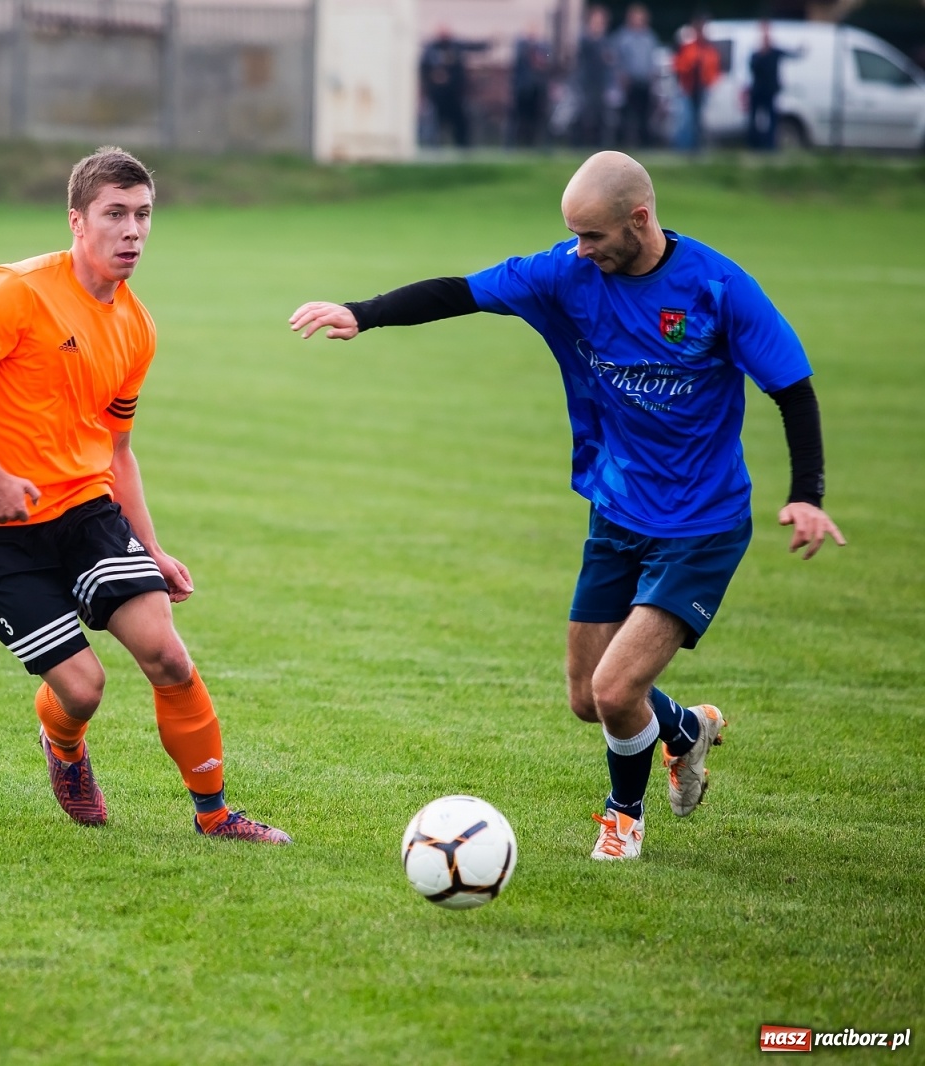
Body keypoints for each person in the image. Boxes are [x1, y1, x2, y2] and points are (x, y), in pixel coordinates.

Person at [288, 152, 843, 862]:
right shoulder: (568, 274)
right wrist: (362, 314)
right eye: (573, 236)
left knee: (616, 690)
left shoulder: (716, 287)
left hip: (701, 525)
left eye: (592, 236)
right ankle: (683, 730)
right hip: (616, 511)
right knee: (588, 697)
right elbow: (462, 290)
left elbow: (791, 386)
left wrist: (808, 494)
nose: (580, 250)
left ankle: (622, 818)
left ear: (639, 219)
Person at [0, 147, 290, 844]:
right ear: (77, 221)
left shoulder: (136, 326)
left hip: (85, 509)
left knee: (167, 655)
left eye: (143, 215)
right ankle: (66, 747)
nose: (132, 231)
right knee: (82, 687)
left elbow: (117, 451)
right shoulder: (13, 292)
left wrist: (152, 547)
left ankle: (215, 815)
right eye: (115, 214)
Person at [420, 28, 489, 148]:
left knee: (460, 123)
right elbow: (423, 70)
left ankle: (463, 149)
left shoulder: (456, 46)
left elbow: (473, 47)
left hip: (455, 96)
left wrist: (489, 43)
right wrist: (433, 77)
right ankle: (432, 148)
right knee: (435, 125)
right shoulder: (430, 49)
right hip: (438, 96)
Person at [611, 3, 659, 147]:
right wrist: (620, 76)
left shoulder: (649, 37)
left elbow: (652, 60)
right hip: (628, 82)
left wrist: (653, 76)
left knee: (645, 116)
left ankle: (644, 144)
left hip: (645, 82)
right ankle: (626, 144)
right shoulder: (622, 37)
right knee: (628, 116)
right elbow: (615, 59)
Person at [672, 16, 721, 151]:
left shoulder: (709, 49)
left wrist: (710, 81)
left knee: (698, 120)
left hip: (701, 89)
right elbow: (678, 64)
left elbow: (714, 68)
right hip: (688, 89)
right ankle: (683, 149)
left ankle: (696, 148)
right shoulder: (688, 48)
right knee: (686, 120)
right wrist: (690, 65)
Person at [748, 21, 799, 150]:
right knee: (754, 120)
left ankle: (770, 146)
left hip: (770, 91)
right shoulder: (757, 55)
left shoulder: (775, 52)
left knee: (771, 120)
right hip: (758, 91)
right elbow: (753, 68)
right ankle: (755, 144)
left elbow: (791, 54)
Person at [575, 6, 615, 147]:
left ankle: (599, 146)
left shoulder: (606, 41)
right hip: (587, 84)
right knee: (586, 116)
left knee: (601, 117)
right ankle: (582, 144)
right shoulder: (586, 39)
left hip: (601, 84)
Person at [511, 25, 554, 148]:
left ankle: (537, 145)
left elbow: (547, 60)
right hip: (523, 90)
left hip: (538, 90)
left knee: (539, 119)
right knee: (521, 119)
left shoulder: (543, 47)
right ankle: (517, 145)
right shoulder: (521, 45)